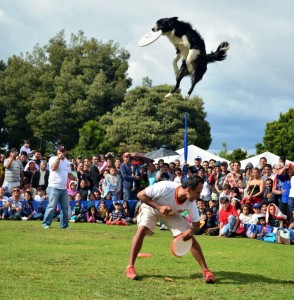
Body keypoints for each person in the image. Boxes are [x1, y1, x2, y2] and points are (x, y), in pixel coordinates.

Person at [125, 175, 216, 283]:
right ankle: (130, 267)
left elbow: (196, 224)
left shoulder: (190, 203)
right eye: (197, 192)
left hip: (171, 214)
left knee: (190, 238)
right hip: (152, 209)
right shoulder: (165, 187)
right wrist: (159, 207)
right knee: (142, 230)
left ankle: (206, 271)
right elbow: (140, 195)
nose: (199, 195)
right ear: (189, 189)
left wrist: (190, 232)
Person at [42, 145, 77, 229]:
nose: (62, 153)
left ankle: (64, 225)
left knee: (65, 207)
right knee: (51, 206)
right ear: (57, 151)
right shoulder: (53, 159)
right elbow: (53, 168)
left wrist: (75, 178)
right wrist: (58, 159)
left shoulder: (67, 162)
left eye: (64, 151)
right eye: (61, 151)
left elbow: (68, 174)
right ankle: (45, 224)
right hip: (53, 187)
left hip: (63, 188)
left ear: (66, 152)